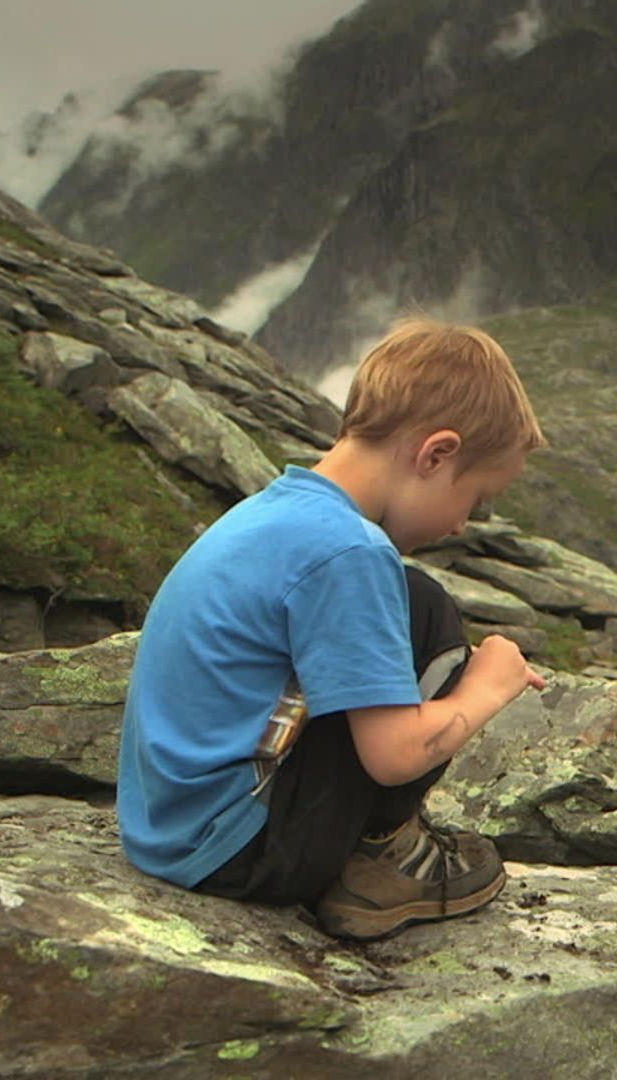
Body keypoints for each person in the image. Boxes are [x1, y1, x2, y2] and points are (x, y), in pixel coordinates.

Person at [117, 318, 548, 941]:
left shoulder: (275, 510)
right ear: (436, 454)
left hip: (167, 828)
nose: (463, 525)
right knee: (425, 611)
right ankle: (384, 860)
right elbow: (396, 756)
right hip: (239, 850)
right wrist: (489, 685)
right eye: (476, 499)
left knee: (410, 598)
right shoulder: (351, 552)